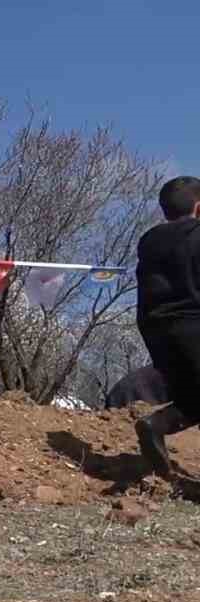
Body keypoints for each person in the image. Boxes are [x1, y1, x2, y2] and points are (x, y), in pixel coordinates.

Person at [132, 176, 200, 478]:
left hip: (157, 333)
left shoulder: (148, 242)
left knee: (193, 401)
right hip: (194, 326)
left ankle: (155, 425)